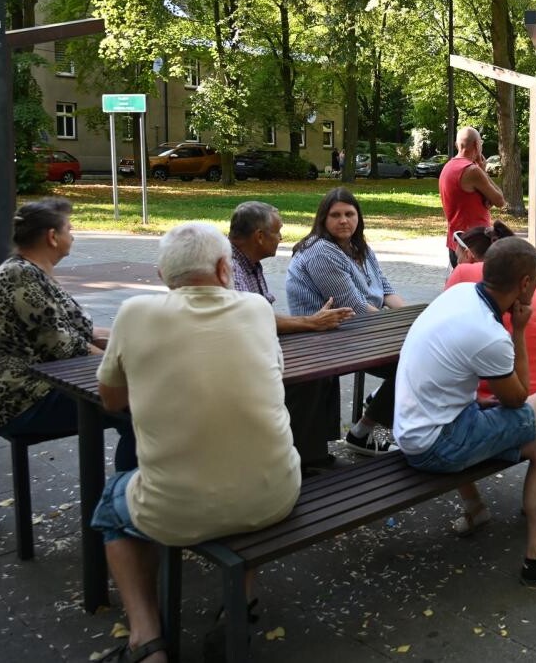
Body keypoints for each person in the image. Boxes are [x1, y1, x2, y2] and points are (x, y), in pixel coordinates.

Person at [91, 223, 300, 663]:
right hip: (274, 494)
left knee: (112, 501)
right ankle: (237, 607)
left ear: (164, 276)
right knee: (247, 454)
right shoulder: (258, 310)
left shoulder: (133, 314)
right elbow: (271, 375)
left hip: (175, 511)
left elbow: (111, 401)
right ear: (226, 269)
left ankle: (146, 639)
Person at [393, 237, 536, 593]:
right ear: (525, 284)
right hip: (438, 443)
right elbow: (518, 399)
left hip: (420, 426)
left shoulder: (460, 296)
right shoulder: (489, 333)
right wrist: (518, 331)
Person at [0, 198, 135, 469]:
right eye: (69, 229)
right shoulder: (20, 276)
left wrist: (137, 340)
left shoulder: (32, 271)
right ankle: (122, 501)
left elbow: (82, 330)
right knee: (141, 409)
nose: (72, 235)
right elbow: (66, 345)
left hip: (42, 387)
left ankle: (129, 493)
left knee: (135, 397)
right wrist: (128, 366)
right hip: (18, 400)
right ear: (52, 237)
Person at [445, 221, 536, 535]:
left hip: (514, 393)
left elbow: (451, 326)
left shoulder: (464, 277)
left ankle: (475, 507)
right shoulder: (527, 283)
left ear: (471, 256)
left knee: (449, 410)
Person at [229, 201, 355, 469]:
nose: (281, 238)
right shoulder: (232, 265)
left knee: (324, 363)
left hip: (254, 344)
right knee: (311, 374)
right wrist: (311, 322)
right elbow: (252, 318)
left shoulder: (249, 261)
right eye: (277, 232)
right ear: (259, 236)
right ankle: (304, 459)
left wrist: (313, 323)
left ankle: (314, 449)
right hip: (239, 358)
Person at [288, 188, 408, 454]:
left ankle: (367, 422)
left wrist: (414, 319)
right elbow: (355, 308)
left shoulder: (359, 246)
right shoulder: (321, 252)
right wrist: (400, 328)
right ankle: (366, 428)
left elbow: (386, 291)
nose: (344, 220)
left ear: (358, 217)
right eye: (336, 215)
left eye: (350, 214)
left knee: (418, 358)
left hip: (356, 330)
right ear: (323, 219)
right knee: (414, 363)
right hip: (324, 336)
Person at [439, 126, 505, 267]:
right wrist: (484, 172)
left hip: (455, 242)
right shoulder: (472, 171)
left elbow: (481, 201)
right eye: (481, 143)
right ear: (476, 145)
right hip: (475, 247)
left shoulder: (448, 167)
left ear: (457, 145)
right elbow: (500, 200)